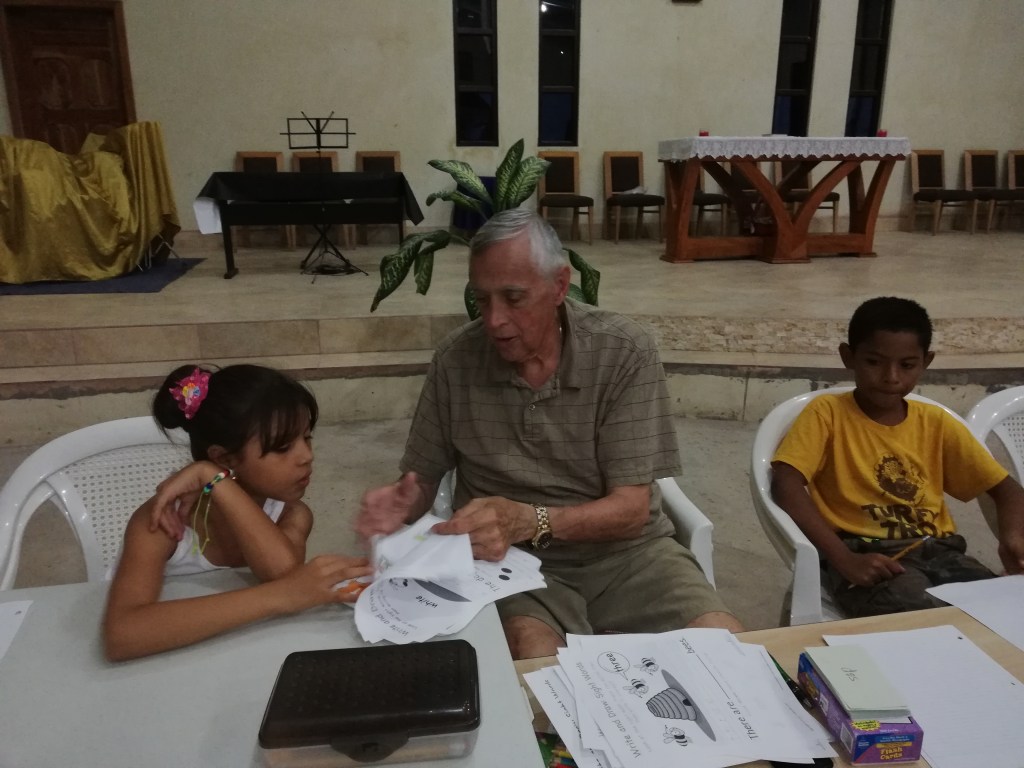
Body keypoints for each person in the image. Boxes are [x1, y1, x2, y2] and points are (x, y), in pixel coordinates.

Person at [358, 209, 742, 659]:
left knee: (729, 650)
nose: (494, 320)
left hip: (630, 557)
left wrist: (530, 519)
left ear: (559, 286)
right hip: (509, 564)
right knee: (537, 664)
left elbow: (631, 510)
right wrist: (402, 500)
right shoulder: (455, 360)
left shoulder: (622, 352)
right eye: (482, 299)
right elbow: (422, 478)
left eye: (513, 298)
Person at [771, 296, 1024, 617]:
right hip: (867, 554)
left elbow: (1007, 490)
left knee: (1003, 609)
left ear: (926, 362)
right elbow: (786, 485)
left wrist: (1011, 537)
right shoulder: (827, 414)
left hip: (941, 552)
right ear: (848, 356)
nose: (891, 376)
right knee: (921, 614)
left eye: (907, 365)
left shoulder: (935, 422)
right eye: (874, 362)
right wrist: (842, 558)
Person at [103, 364, 371, 661]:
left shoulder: (292, 514)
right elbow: (122, 636)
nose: (307, 456)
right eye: (283, 447)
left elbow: (282, 574)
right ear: (224, 458)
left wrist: (212, 477)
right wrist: (213, 476)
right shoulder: (164, 521)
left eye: (307, 438)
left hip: (236, 658)